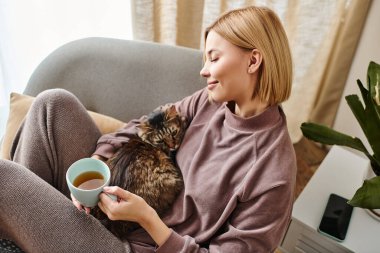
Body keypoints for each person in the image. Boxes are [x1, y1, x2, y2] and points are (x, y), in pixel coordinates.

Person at [0, 5, 296, 253]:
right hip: (114, 206)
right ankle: (29, 234)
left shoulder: (273, 173)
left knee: (4, 178)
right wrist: (97, 166)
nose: (203, 70)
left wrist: (148, 219)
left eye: (214, 58)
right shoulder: (208, 103)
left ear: (253, 60)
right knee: (53, 104)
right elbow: (138, 131)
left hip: (137, 247)